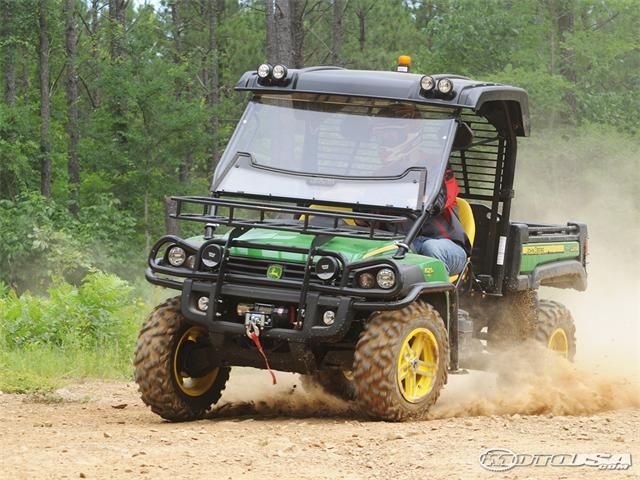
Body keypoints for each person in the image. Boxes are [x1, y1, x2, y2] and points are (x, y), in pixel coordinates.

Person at [374, 103, 471, 275]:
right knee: (383, 249)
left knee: (430, 248)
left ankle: (434, 299)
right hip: (402, 244)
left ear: (410, 135)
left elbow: (438, 200)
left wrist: (413, 198)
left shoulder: (439, 167)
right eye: (381, 136)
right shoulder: (381, 174)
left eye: (391, 136)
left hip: (443, 244)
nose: (384, 142)